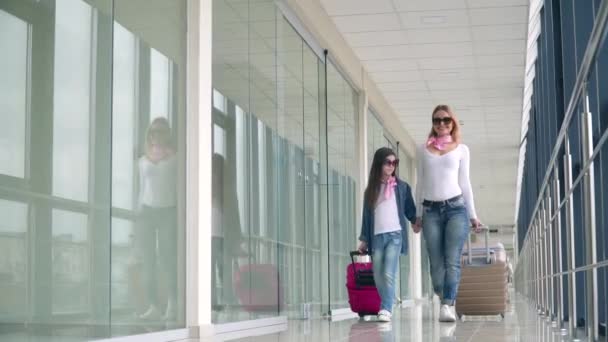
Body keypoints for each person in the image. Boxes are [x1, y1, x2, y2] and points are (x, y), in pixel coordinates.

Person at [412, 105, 482, 323]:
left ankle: (447, 304)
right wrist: (417, 215)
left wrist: (473, 214)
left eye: (446, 120)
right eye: (436, 120)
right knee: (435, 262)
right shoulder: (422, 149)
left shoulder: (462, 149)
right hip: (430, 210)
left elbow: (465, 183)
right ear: (432, 123)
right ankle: (443, 294)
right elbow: (420, 183)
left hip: (456, 209)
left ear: (453, 122)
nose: (441, 124)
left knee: (452, 260)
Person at [358, 147, 416, 322]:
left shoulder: (402, 187)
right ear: (379, 163)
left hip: (395, 235)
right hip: (376, 237)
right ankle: (388, 301)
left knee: (389, 273)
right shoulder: (371, 190)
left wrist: (416, 221)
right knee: (378, 274)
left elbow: (410, 210)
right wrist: (364, 239)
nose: (392, 166)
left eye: (395, 162)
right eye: (388, 162)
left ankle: (386, 308)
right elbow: (366, 217)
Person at [137, 117, 178, 321]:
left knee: (167, 257)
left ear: (167, 133)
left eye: (160, 131)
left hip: (168, 211)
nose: (156, 134)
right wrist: (137, 214)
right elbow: (142, 189)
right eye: (153, 131)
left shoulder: (175, 159)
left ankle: (173, 302)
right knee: (148, 260)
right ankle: (153, 305)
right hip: (146, 212)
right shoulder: (143, 160)